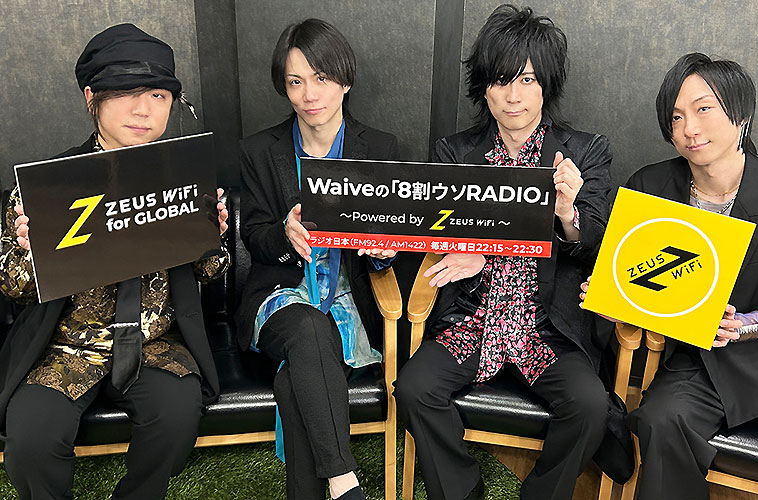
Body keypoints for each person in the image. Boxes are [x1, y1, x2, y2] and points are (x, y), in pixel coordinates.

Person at [393, 5, 614, 500]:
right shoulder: (455, 152)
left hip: (546, 327)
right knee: (414, 390)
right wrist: (471, 251)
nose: (514, 96)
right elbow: (436, 229)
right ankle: (461, 491)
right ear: (484, 88)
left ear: (546, 85)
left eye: (528, 80)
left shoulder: (585, 151)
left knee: (589, 406)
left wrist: (566, 213)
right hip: (473, 319)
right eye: (501, 81)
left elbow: (595, 246)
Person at [0, 23, 230, 500]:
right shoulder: (46, 185)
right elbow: (14, 288)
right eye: (126, 93)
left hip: (154, 344)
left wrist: (212, 236)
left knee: (176, 419)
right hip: (65, 348)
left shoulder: (187, 176)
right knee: (31, 443)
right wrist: (28, 253)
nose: (144, 110)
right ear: (92, 98)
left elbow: (210, 273)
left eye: (158, 96)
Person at [587, 52, 758, 500]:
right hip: (695, 364)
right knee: (661, 420)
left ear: (741, 114)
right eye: (677, 116)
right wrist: (614, 298)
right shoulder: (649, 188)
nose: (689, 128)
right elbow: (631, 280)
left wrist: (752, 324)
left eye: (704, 109)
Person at [235, 18, 398, 500]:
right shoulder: (259, 151)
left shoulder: (380, 149)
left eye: (321, 78)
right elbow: (254, 237)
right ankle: (344, 482)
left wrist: (384, 254)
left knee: (294, 385)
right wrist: (285, 235)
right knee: (308, 325)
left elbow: (394, 242)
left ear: (345, 81)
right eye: (295, 81)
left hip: (352, 303)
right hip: (281, 297)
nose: (309, 94)